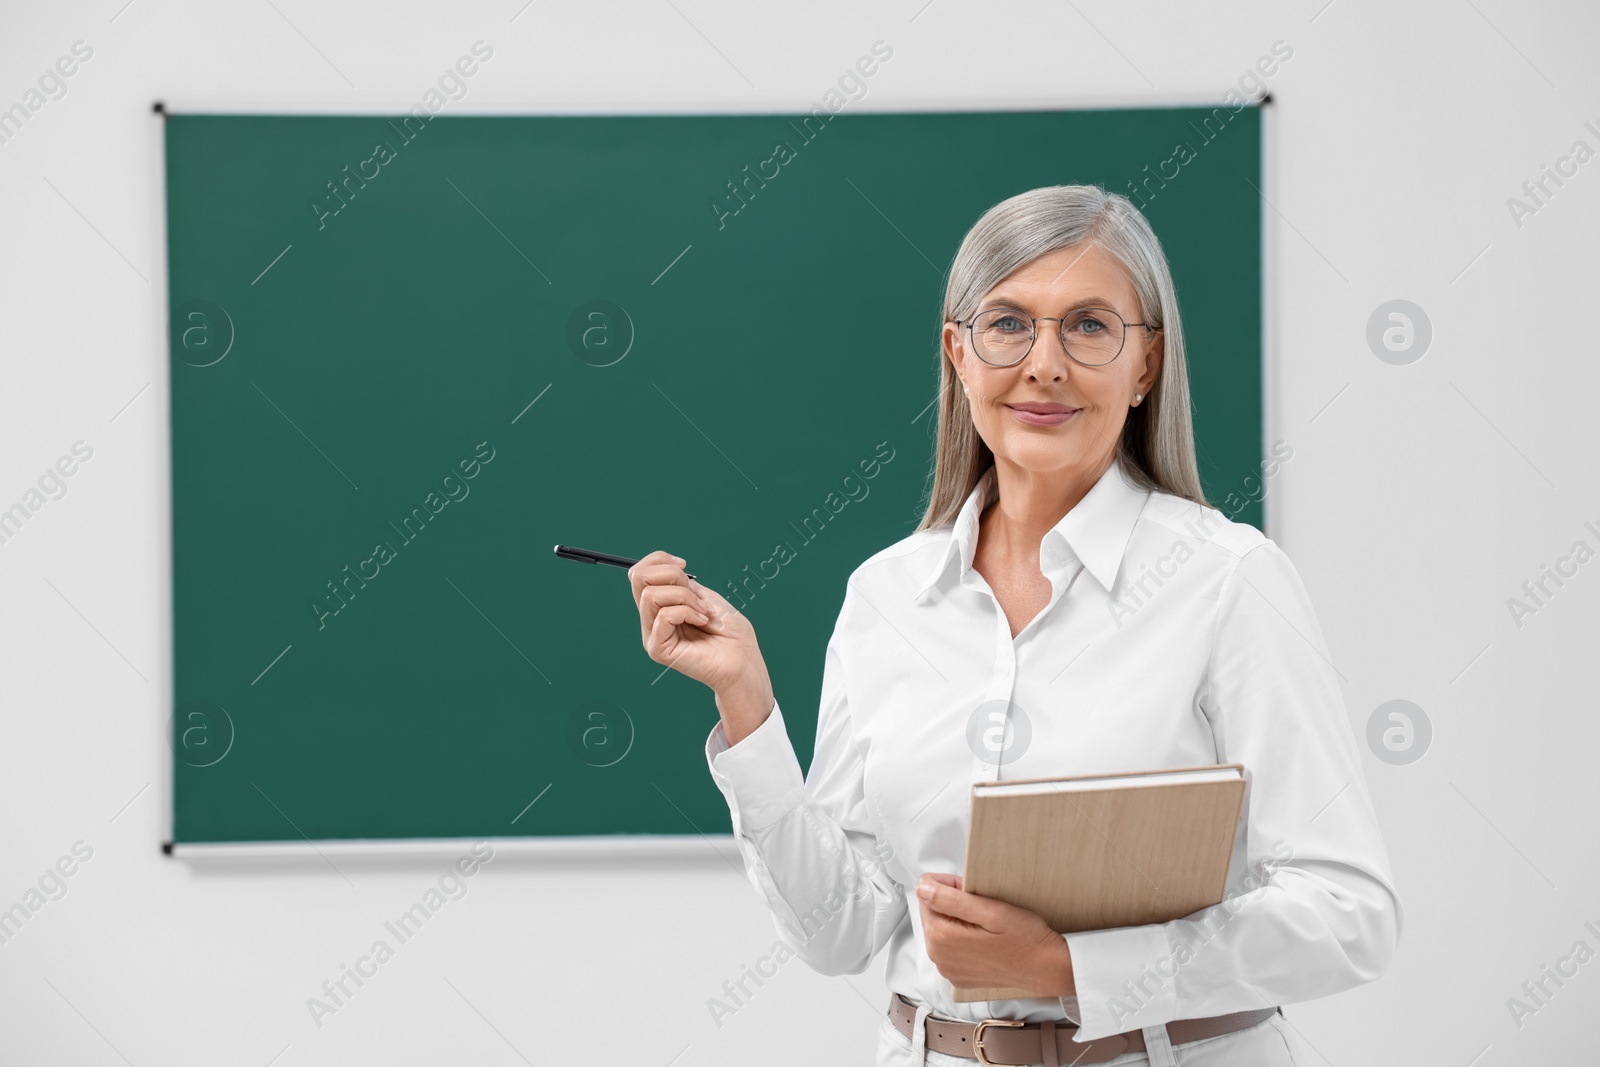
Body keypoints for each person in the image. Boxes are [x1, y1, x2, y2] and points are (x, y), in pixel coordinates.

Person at [628, 185, 1401, 1067]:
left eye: (1089, 325)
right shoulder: (886, 595)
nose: (1045, 364)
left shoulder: (1228, 581)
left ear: (1145, 363)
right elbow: (840, 932)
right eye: (1008, 324)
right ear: (958, 352)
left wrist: (1069, 967)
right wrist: (746, 703)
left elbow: (1349, 912)